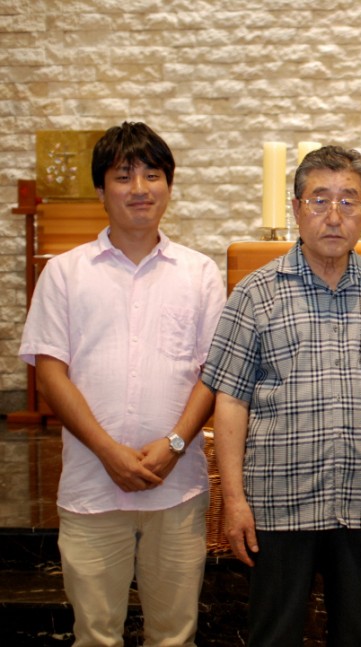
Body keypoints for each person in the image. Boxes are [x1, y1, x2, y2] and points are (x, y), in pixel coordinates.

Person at [18, 122, 226, 646]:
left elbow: (213, 372)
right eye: (123, 176)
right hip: (92, 486)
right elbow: (50, 373)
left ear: (169, 186)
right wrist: (109, 451)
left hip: (176, 489)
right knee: (95, 636)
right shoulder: (65, 273)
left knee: (174, 637)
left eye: (152, 175)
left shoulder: (199, 273)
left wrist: (174, 444)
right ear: (100, 189)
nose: (139, 189)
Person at [201, 145, 361, 647]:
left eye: (348, 201)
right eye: (319, 200)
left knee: (358, 636)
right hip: (278, 503)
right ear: (296, 209)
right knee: (274, 636)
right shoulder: (255, 294)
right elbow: (230, 401)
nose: (334, 215)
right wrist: (234, 501)